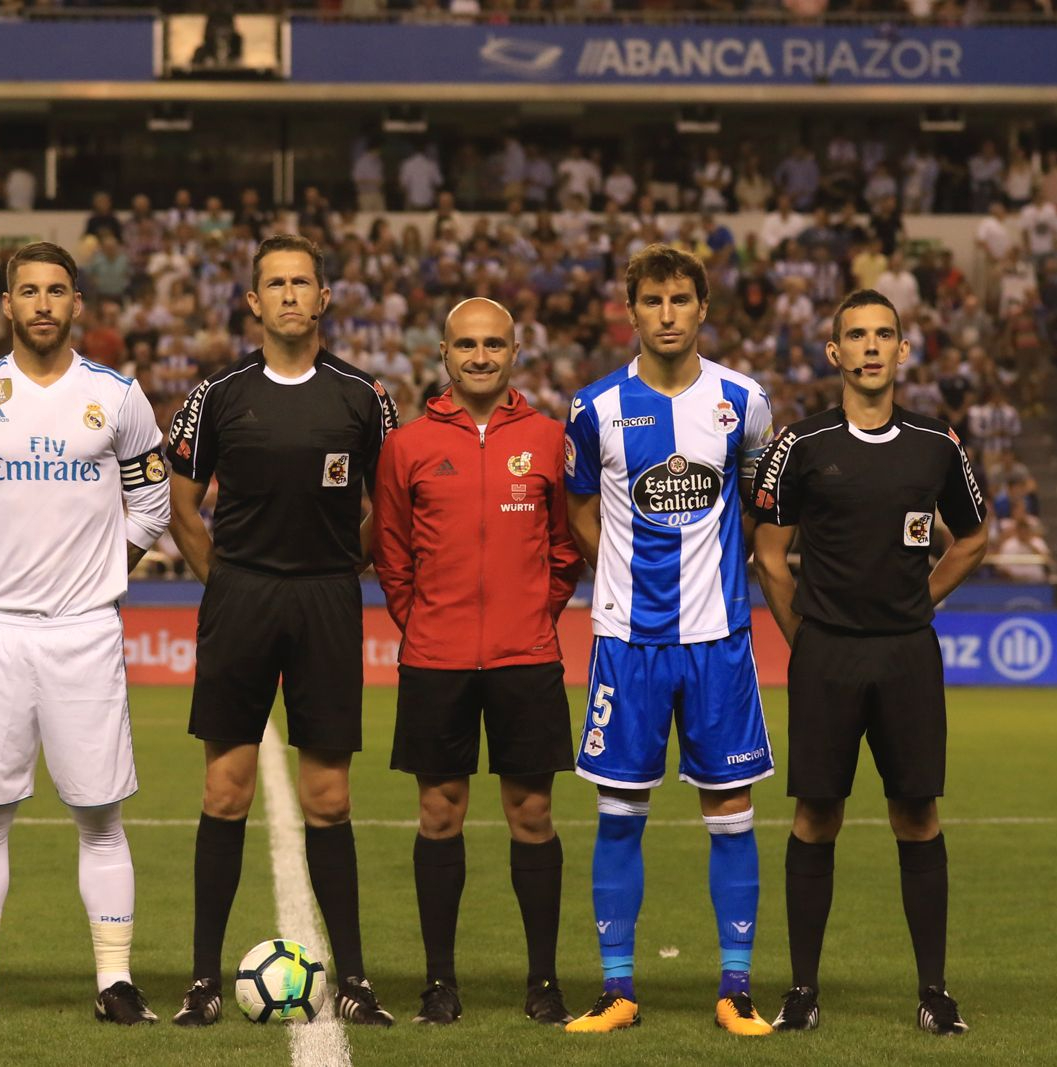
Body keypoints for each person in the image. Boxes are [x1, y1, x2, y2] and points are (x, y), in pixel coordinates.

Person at [0, 242, 171, 1026]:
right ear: (7, 303)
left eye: (56, 291)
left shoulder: (117, 396)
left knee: (100, 816)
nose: (42, 304)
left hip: (86, 632)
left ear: (76, 303)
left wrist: (104, 572)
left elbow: (152, 503)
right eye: (27, 291)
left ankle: (116, 980)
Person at [165, 233, 399, 1028]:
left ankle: (356, 978)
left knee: (328, 797)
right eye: (276, 283)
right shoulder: (218, 394)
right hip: (242, 600)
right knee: (224, 789)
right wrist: (227, 583)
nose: (290, 295)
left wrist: (342, 566)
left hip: (326, 600)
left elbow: (390, 506)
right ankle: (202, 980)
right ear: (254, 301)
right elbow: (182, 503)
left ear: (324, 298)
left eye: (303, 282)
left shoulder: (364, 395)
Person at [751, 288, 988, 1036]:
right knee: (816, 813)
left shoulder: (937, 444)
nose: (872, 346)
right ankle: (802, 990)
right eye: (857, 335)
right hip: (826, 653)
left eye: (885, 334)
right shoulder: (800, 445)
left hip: (907, 653)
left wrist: (921, 598)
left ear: (903, 350)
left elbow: (973, 538)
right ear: (835, 352)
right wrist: (806, 637)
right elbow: (769, 555)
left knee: (917, 813)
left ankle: (935, 992)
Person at [561, 244, 777, 1037]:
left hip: (718, 638)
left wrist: (720, 569)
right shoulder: (595, 408)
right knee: (620, 813)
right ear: (631, 311)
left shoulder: (743, 400)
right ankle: (617, 988)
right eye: (652, 300)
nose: (667, 314)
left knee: (732, 811)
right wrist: (618, 576)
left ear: (702, 307)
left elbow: (756, 501)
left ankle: (736, 988)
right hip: (628, 642)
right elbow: (580, 509)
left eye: (680, 299)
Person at [371, 297, 582, 1027]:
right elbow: (392, 553)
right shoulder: (407, 445)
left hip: (527, 654)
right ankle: (439, 983)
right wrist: (425, 618)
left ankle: (544, 982)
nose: (481, 356)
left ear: (516, 352)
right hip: (437, 657)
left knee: (533, 813)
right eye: (467, 345)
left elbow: (566, 547)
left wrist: (534, 612)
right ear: (444, 354)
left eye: (494, 344)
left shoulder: (550, 439)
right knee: (439, 814)